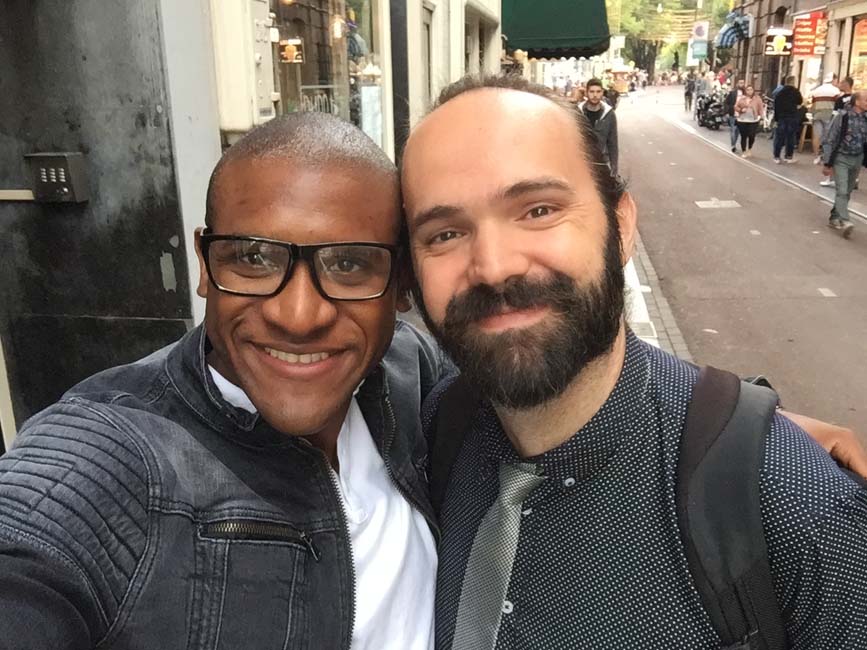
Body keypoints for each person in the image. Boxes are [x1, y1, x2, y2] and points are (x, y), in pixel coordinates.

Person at [401, 75, 867, 649]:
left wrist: (756, 433)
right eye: (445, 234)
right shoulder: (431, 431)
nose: (494, 267)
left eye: (538, 210)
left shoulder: (801, 508)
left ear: (620, 226)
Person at [0, 112, 448, 649]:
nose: (299, 317)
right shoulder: (112, 453)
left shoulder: (408, 371)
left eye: (349, 265)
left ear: (400, 285)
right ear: (205, 265)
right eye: (254, 258)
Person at [821, 89, 867, 239]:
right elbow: (829, 139)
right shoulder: (842, 117)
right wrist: (827, 162)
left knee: (847, 190)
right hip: (841, 157)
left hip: (857, 157)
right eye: (866, 100)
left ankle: (834, 217)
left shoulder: (865, 118)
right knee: (841, 189)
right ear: (857, 101)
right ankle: (845, 220)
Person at [578, 78, 619, 176]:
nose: (595, 95)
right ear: (586, 93)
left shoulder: (609, 114)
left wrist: (614, 168)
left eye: (598, 91)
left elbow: (613, 143)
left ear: (602, 93)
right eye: (592, 92)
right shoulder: (578, 112)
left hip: (601, 163)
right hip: (580, 163)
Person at [810, 74, 841, 164]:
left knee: (817, 136)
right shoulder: (836, 90)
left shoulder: (816, 90)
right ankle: (827, 156)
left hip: (817, 115)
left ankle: (816, 157)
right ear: (833, 80)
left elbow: (813, 105)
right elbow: (838, 104)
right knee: (828, 137)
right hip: (829, 115)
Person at [773, 76, 804, 163]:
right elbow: (800, 101)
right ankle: (788, 156)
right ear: (793, 82)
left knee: (779, 137)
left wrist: (776, 119)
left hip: (781, 117)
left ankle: (776, 156)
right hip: (792, 117)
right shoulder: (796, 92)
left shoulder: (780, 92)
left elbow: (776, 106)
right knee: (790, 137)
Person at [734, 84, 765, 158]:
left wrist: (762, 118)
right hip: (742, 120)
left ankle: (750, 148)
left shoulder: (757, 99)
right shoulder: (742, 98)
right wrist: (741, 110)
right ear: (745, 91)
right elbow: (735, 107)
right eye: (748, 90)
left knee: (752, 135)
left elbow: (761, 108)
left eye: (751, 89)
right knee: (743, 136)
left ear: (753, 90)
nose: (749, 91)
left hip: (753, 120)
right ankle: (744, 151)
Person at [724, 78, 745, 153]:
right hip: (733, 114)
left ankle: (734, 144)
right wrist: (727, 112)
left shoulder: (745, 94)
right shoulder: (732, 93)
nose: (742, 84)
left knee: (737, 131)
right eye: (740, 83)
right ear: (737, 84)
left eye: (743, 83)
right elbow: (726, 102)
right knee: (733, 129)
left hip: (741, 115)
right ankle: (733, 145)